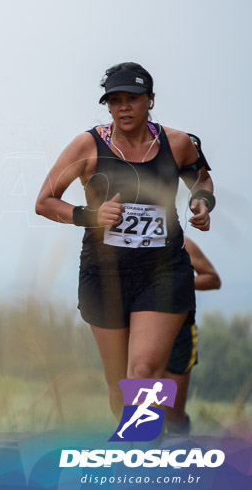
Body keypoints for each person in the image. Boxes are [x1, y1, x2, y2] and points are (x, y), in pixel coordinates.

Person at [35, 62, 214, 418]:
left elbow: (202, 180)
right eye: (114, 100)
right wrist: (90, 216)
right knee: (120, 391)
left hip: (163, 272)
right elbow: (44, 202)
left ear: (150, 100)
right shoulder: (87, 146)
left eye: (132, 98)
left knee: (144, 371)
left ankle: (141, 451)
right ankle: (140, 441)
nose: (123, 107)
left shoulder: (177, 143)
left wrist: (202, 203)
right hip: (105, 275)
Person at [164, 236, 221, 435]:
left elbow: (213, 279)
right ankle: (144, 459)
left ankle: (181, 453)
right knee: (142, 408)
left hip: (179, 332)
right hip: (134, 331)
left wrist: (177, 281)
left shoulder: (181, 242)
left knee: (172, 414)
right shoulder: (124, 241)